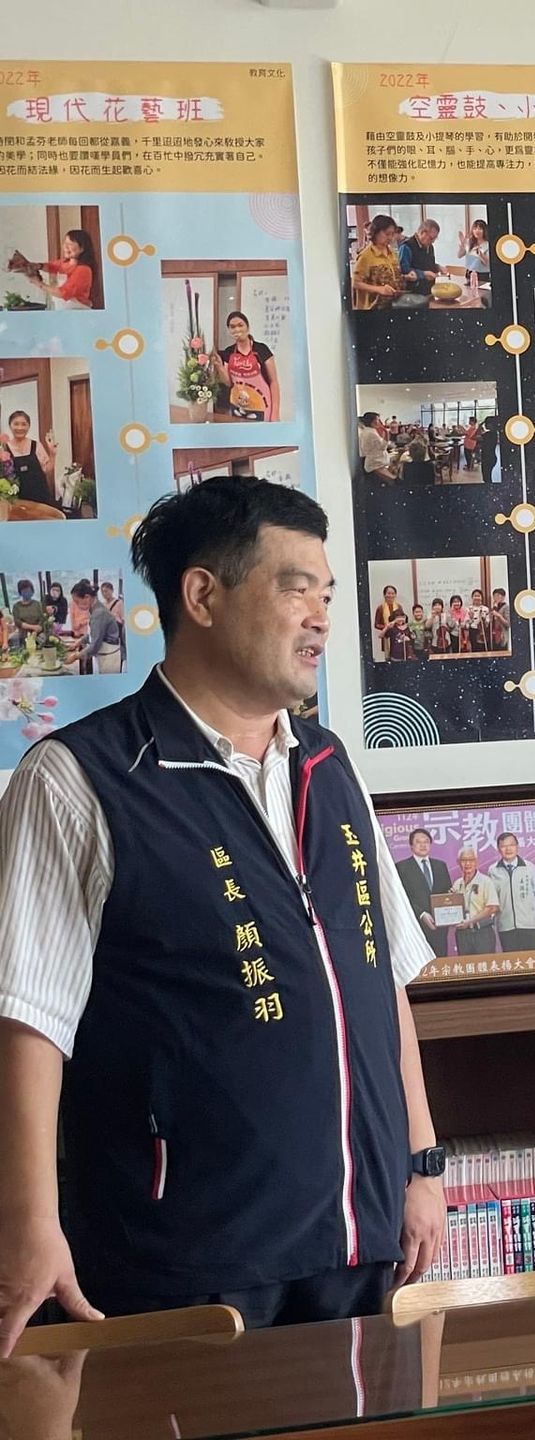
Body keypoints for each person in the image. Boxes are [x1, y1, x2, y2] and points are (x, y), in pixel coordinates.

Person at [0, 478, 444, 1351]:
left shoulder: (329, 765)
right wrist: (27, 1221)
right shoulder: (80, 778)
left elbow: (380, 975)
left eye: (327, 594)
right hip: (185, 1263)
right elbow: (27, 1020)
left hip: (359, 1246)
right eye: (295, 588)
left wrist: (421, 1165)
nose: (321, 618)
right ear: (202, 596)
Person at [213, 311, 278, 422]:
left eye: (240, 325)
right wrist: (219, 366)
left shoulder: (262, 349)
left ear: (247, 328)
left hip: (261, 406)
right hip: (238, 407)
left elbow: (274, 382)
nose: (237, 329)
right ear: (229, 330)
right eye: (232, 327)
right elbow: (228, 382)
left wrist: (275, 413)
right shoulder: (229, 352)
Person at [395, 830, 451, 958]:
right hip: (416, 927)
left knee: (441, 964)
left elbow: (447, 891)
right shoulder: (401, 867)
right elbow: (402, 897)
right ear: (411, 846)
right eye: (418, 842)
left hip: (439, 927)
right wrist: (421, 914)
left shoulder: (440, 865)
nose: (423, 845)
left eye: (426, 842)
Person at [489, 834, 535, 953]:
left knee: (533, 960)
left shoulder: (529, 867)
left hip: (529, 924)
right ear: (498, 849)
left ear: (517, 846)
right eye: (503, 846)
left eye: (511, 845)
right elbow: (492, 898)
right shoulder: (493, 870)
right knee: (512, 961)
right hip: (506, 926)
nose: (508, 849)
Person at [13, 228, 97, 310]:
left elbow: (63, 293)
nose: (65, 247)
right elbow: (51, 266)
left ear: (82, 248)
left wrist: (39, 284)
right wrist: (36, 266)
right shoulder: (63, 263)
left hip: (78, 311)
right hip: (63, 310)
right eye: (65, 243)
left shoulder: (84, 270)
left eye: (70, 244)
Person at [3, 409, 59, 509]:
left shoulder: (36, 445)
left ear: (29, 426)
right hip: (16, 500)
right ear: (10, 425)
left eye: (24, 424)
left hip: (40, 497)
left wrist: (52, 454)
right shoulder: (4, 449)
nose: (20, 428)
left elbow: (46, 470)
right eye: (16, 424)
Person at [448, 847, 499, 956]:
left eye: (471, 860)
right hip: (463, 935)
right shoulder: (457, 884)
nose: (467, 863)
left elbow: (492, 908)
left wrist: (470, 921)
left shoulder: (486, 881)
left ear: (476, 862)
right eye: (464, 860)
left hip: (482, 933)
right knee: (466, 965)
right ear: (458, 862)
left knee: (485, 965)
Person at [350, 214, 404, 309]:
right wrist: (379, 289)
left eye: (392, 234)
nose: (390, 238)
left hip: (392, 304)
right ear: (375, 232)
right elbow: (355, 283)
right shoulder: (366, 256)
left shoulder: (392, 253)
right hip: (373, 307)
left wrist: (404, 277)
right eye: (387, 234)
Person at [396, 219, 441, 295]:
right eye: (431, 238)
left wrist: (437, 267)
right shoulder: (406, 246)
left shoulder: (429, 247)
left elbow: (427, 264)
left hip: (429, 290)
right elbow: (403, 269)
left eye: (435, 238)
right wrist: (423, 274)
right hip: (413, 293)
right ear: (423, 233)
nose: (433, 241)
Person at [356, 413, 395, 484]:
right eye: (378, 420)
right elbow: (383, 447)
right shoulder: (371, 433)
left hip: (375, 461)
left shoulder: (368, 431)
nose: (379, 422)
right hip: (376, 463)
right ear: (372, 421)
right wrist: (386, 433)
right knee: (393, 481)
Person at [372, 585, 405, 663]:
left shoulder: (399, 606)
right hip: (387, 636)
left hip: (397, 635)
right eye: (388, 593)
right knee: (388, 659)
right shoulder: (380, 608)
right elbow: (376, 624)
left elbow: (403, 620)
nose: (391, 595)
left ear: (395, 595)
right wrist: (387, 626)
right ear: (384, 595)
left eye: (393, 593)